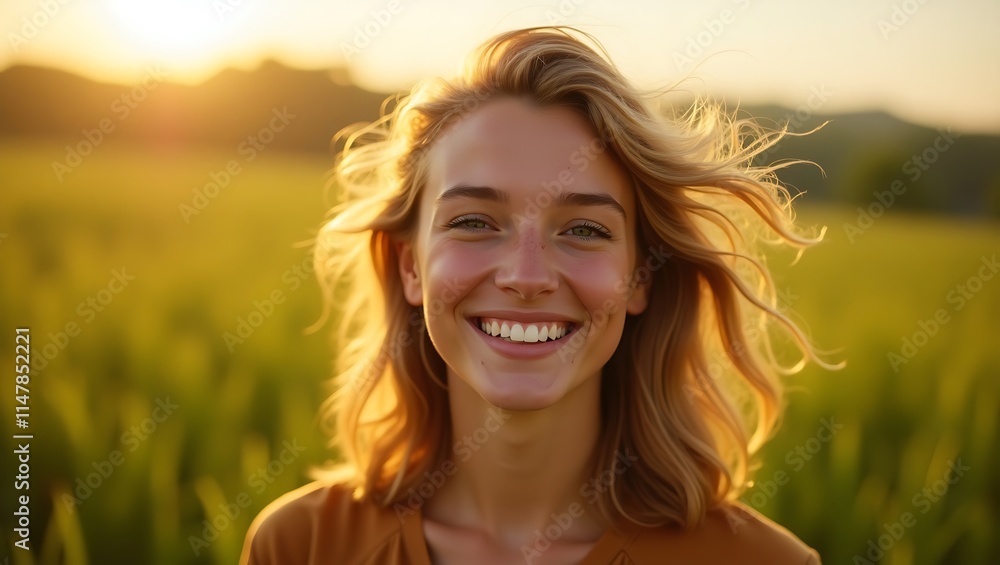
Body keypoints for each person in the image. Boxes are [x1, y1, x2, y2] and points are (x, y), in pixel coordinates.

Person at [241, 26, 831, 564]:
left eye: (583, 230)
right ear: (411, 267)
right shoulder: (299, 545)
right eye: (474, 222)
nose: (526, 276)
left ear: (640, 276)